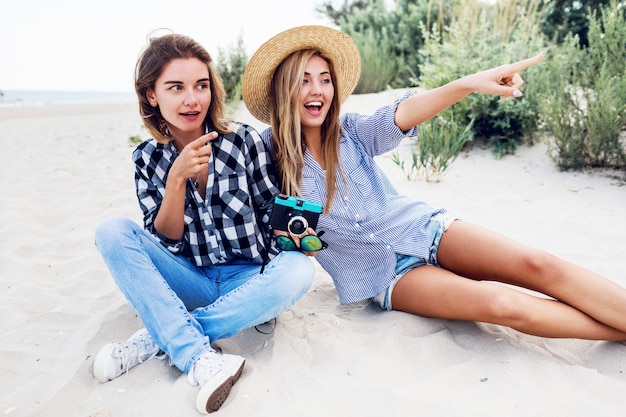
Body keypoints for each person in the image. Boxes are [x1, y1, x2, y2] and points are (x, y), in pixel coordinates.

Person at [241, 25, 626, 342]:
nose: (318, 90)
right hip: (390, 277)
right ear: (284, 90)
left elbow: (405, 113)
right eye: (304, 81)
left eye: (325, 80)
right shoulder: (265, 159)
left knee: (537, 264)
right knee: (504, 306)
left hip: (427, 229)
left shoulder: (352, 132)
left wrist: (469, 84)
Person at [92, 33, 314, 414]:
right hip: (189, 278)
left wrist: (292, 233)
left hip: (248, 280)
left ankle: (166, 337)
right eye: (175, 87)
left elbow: (266, 209)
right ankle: (190, 344)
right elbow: (166, 241)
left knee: (298, 269)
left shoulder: (242, 141)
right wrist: (176, 179)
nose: (191, 99)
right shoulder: (147, 159)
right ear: (151, 95)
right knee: (110, 231)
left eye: (201, 85)